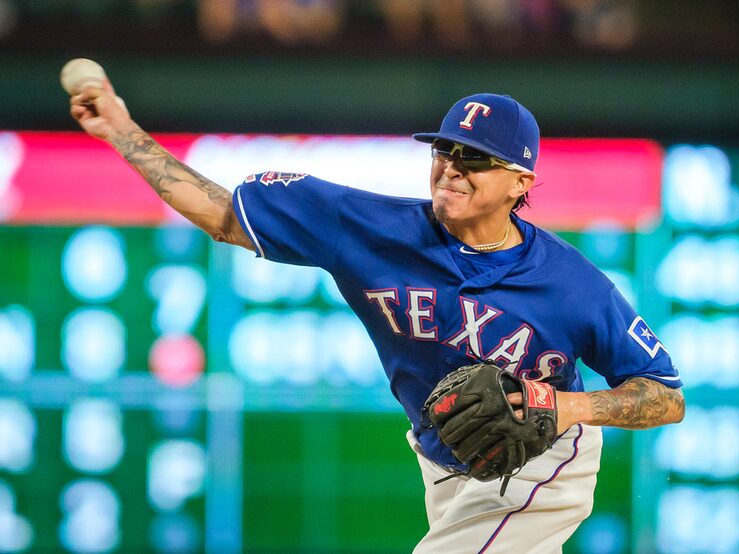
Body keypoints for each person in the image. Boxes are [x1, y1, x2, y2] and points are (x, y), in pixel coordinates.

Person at [70, 82, 685, 553]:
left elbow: (665, 396)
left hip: (543, 465)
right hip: (442, 465)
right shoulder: (368, 229)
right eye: (446, 149)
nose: (451, 166)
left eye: (475, 158)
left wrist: (565, 407)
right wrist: (122, 131)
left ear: (520, 180)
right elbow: (223, 216)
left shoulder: (571, 283)